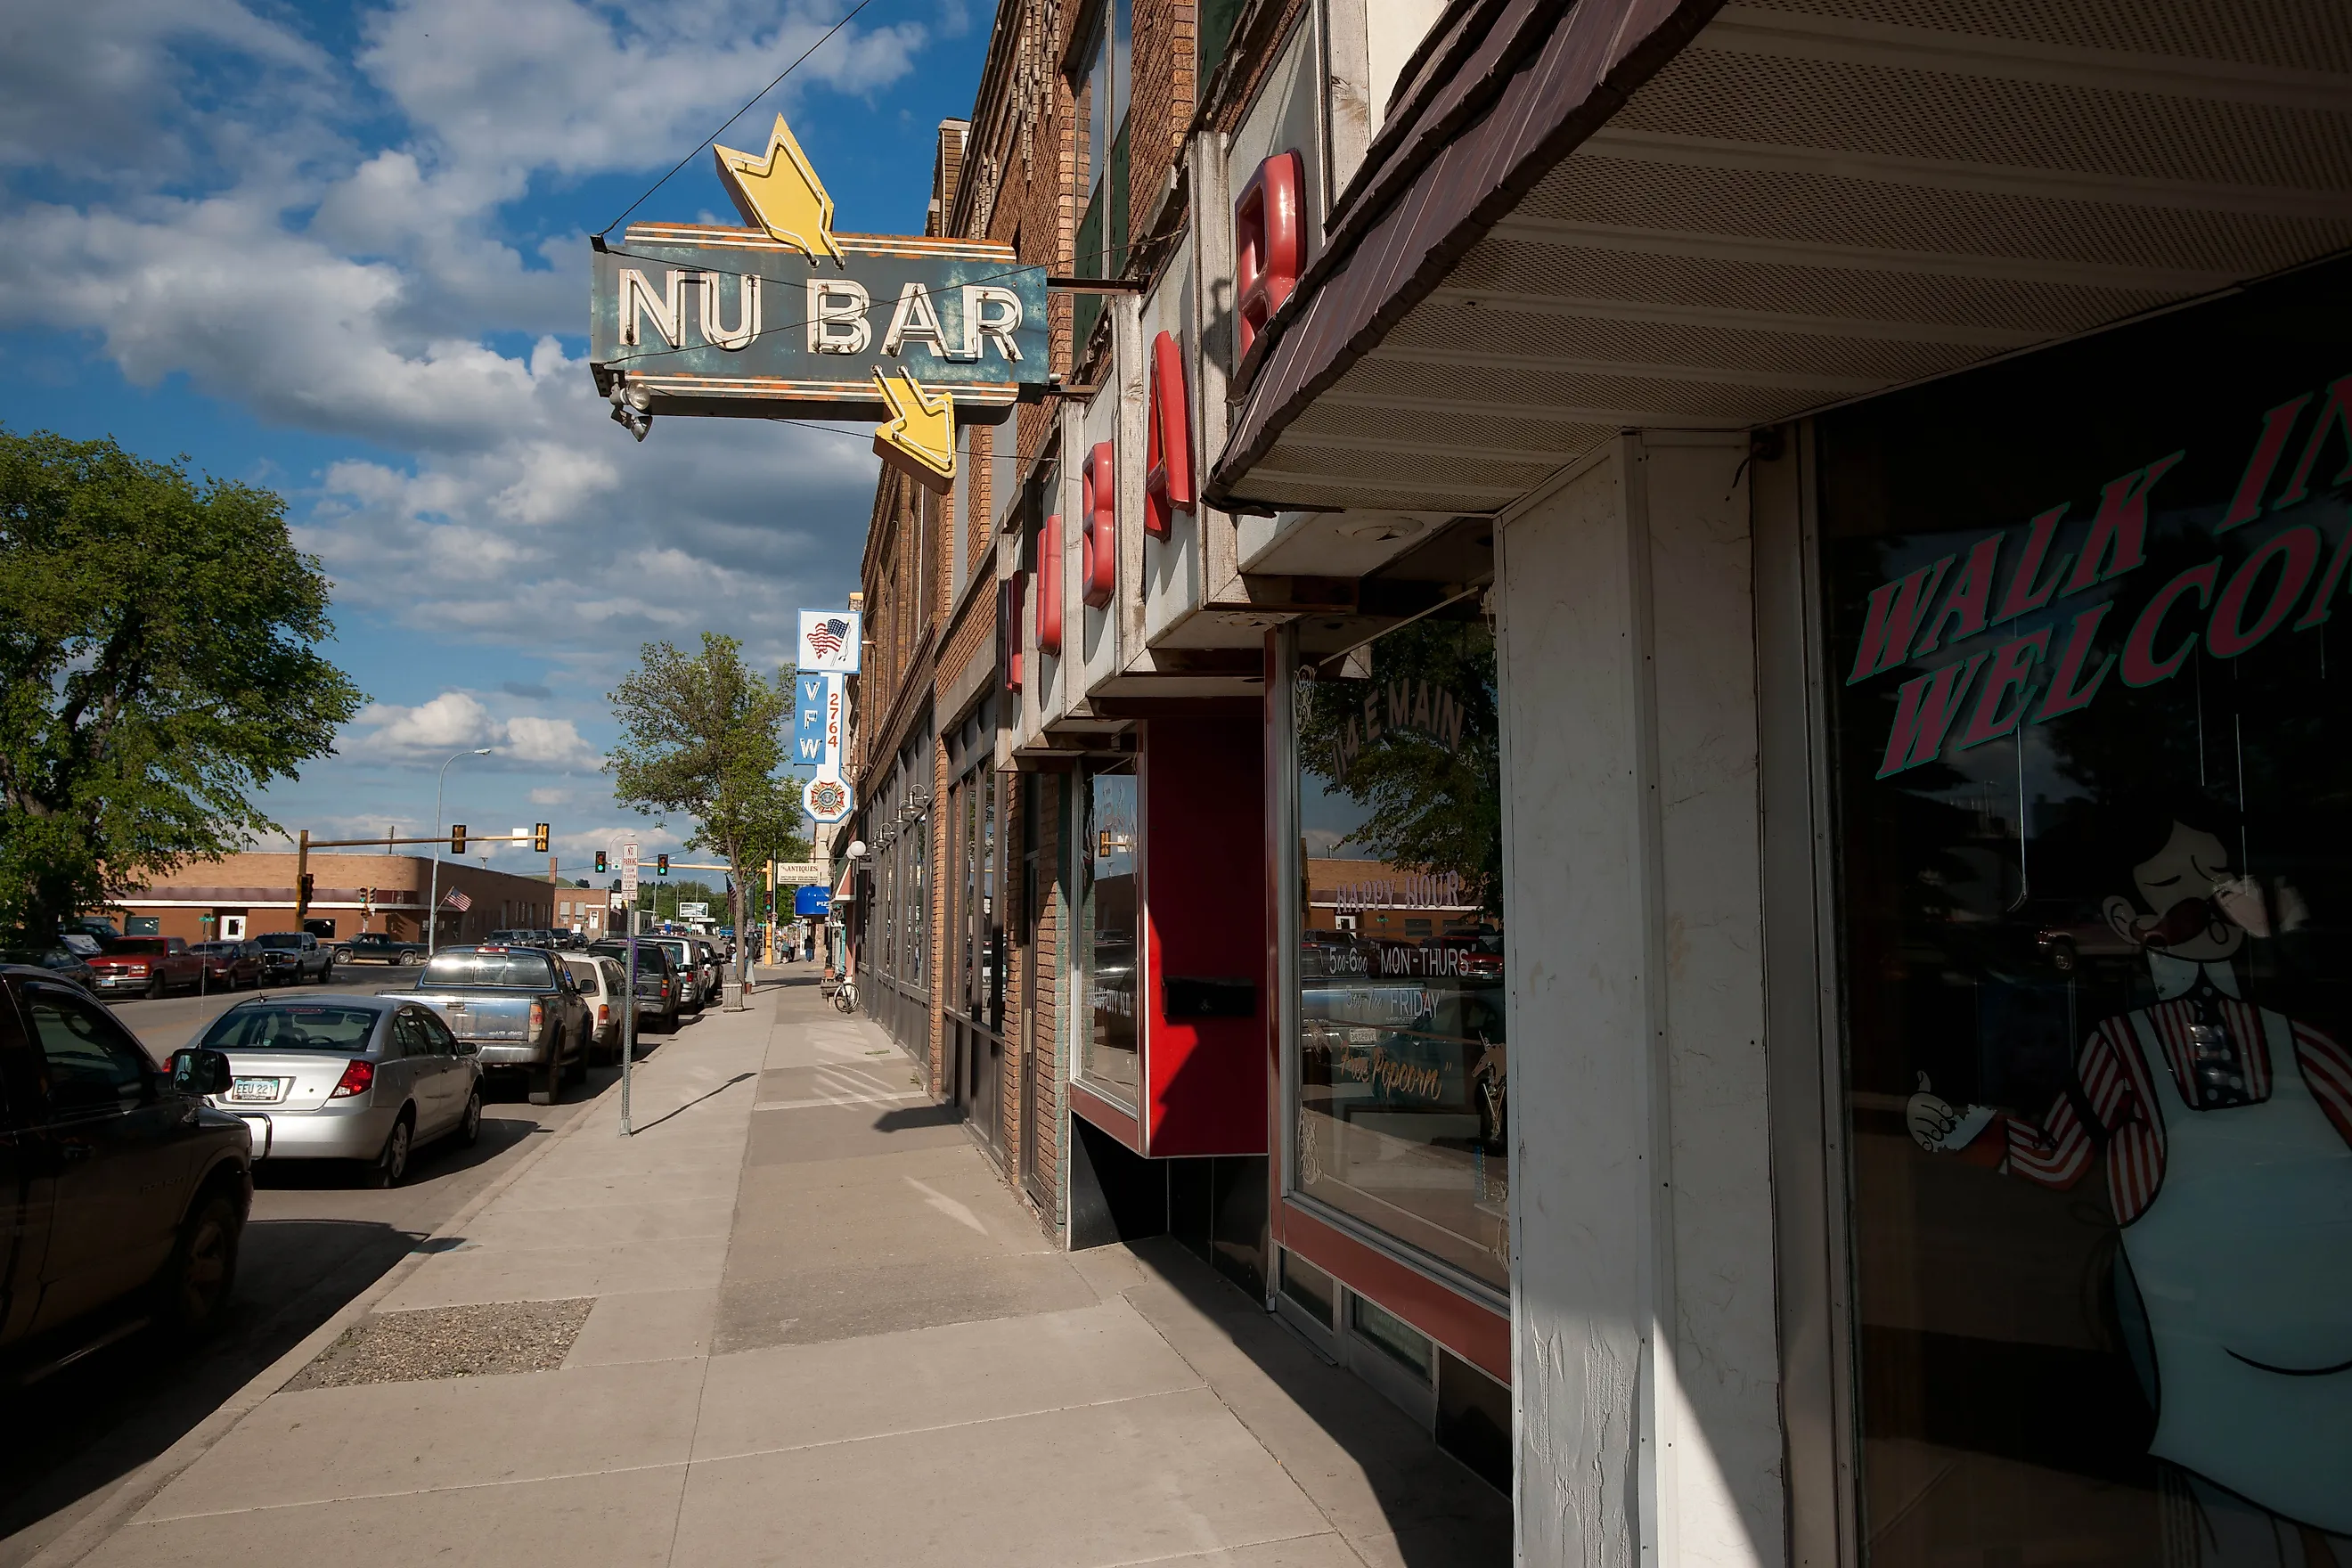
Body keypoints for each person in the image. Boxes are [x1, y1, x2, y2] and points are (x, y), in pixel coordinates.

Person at [1907, 796, 2351, 1563]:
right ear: (2125, 917)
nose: (2208, 897)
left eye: (2218, 875)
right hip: (2206, 1333)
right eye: (2178, 878)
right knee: (2238, 1516)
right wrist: (1957, 1133)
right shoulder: (2121, 1046)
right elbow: (2060, 1155)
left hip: (2329, 1314)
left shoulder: (2296, 1035)